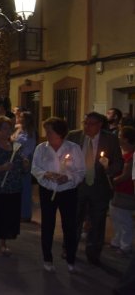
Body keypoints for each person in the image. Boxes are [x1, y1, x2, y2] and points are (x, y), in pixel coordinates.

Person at [67, 111, 123, 266]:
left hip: (99, 187)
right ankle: (69, 248)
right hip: (78, 185)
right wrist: (67, 165)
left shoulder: (110, 139)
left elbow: (118, 162)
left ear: (99, 125)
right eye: (85, 122)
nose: (86, 126)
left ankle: (93, 253)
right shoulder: (74, 136)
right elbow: (64, 155)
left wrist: (108, 168)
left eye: (91, 124)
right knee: (73, 219)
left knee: (97, 222)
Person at [32, 117, 85, 272]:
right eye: (46, 130)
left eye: (49, 130)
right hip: (47, 190)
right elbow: (35, 168)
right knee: (47, 224)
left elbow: (80, 171)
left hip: (68, 191)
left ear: (59, 132)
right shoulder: (41, 148)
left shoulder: (73, 148)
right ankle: (47, 258)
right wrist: (45, 174)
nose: (46, 133)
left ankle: (70, 259)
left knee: (69, 225)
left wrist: (67, 177)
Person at [0, 116, 30, 255]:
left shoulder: (15, 146)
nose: (7, 132)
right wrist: (1, 168)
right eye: (4, 129)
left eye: (9, 129)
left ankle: (3, 242)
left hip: (12, 187)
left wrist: (25, 165)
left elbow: (20, 166)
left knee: (8, 216)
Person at [109, 126, 135, 255]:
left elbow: (127, 175)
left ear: (125, 139)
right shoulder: (121, 152)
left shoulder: (132, 156)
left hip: (127, 191)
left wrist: (110, 181)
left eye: (119, 135)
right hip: (118, 190)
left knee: (125, 220)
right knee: (116, 216)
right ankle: (117, 241)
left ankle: (125, 245)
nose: (117, 138)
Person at [11, 111, 38, 222]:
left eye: (21, 117)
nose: (18, 118)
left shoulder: (30, 132)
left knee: (25, 188)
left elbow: (29, 147)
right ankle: (18, 212)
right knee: (17, 187)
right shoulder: (18, 129)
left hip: (25, 160)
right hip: (17, 159)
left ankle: (25, 214)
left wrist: (24, 158)